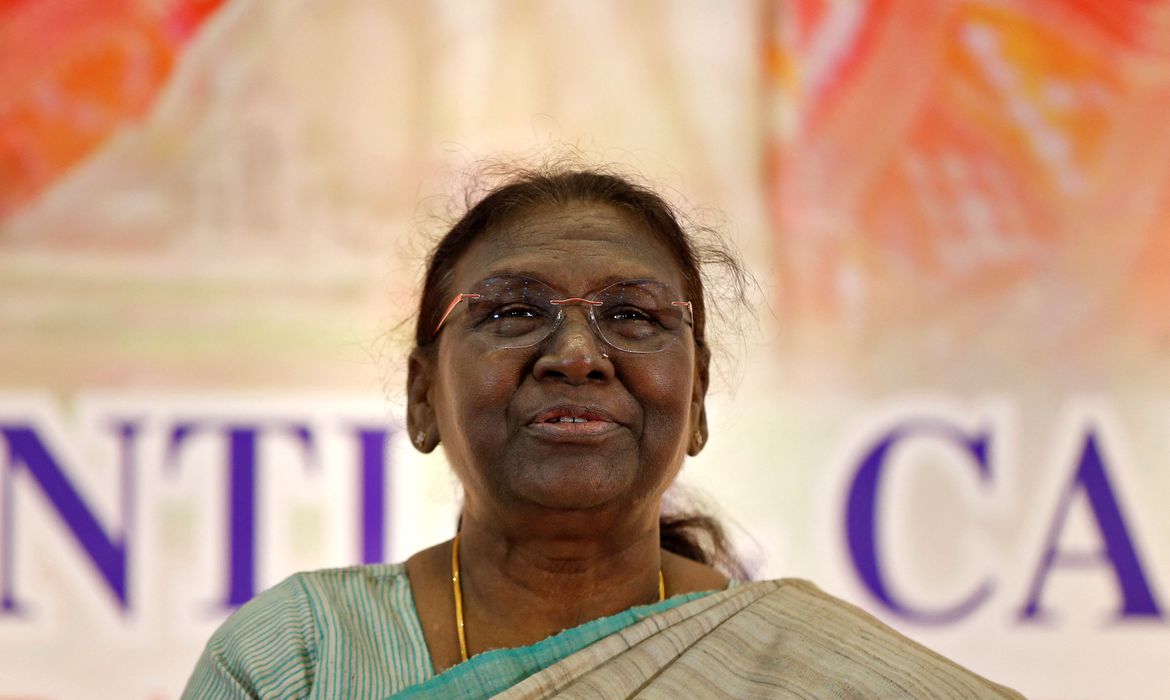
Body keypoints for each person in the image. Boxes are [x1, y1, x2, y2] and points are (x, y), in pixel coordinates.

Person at [183, 166, 1021, 698]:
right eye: (513, 312)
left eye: (633, 316)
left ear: (696, 404)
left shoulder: (806, 674)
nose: (578, 356)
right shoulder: (298, 656)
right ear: (422, 397)